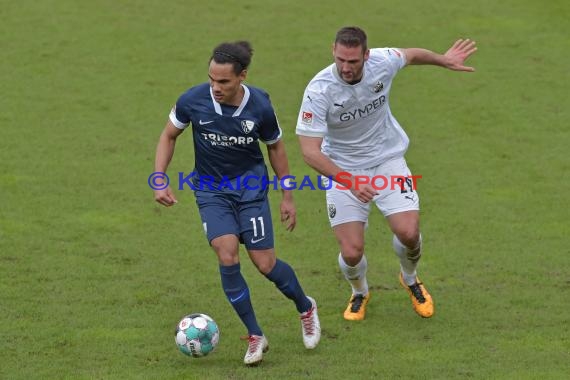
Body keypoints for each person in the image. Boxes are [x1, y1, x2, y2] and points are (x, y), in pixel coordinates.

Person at [153, 41, 320, 366]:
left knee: (265, 264)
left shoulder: (259, 106)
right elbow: (168, 135)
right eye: (212, 80)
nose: (215, 87)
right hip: (211, 192)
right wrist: (159, 177)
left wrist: (287, 196)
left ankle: (305, 307)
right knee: (227, 254)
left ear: (242, 76)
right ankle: (255, 335)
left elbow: (276, 148)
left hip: (251, 191)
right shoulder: (193, 100)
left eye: (224, 82)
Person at [296, 26, 477, 321]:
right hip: (343, 168)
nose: (346, 67)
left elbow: (411, 55)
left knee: (409, 232)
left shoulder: (382, 61)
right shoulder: (319, 90)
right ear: (333, 51)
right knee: (352, 251)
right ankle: (359, 292)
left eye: (353, 61)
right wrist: (349, 181)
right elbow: (310, 151)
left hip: (387, 160)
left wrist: (443, 59)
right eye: (341, 59)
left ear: (366, 56)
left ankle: (410, 278)